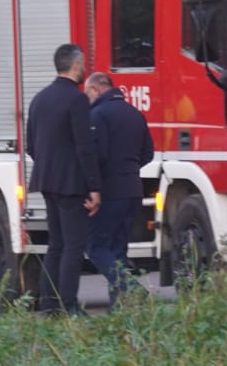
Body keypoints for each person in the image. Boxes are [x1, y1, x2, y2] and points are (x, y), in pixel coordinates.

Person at [25, 43, 101, 316]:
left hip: (46, 181)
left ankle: (48, 303)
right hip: (71, 183)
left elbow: (30, 145)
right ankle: (68, 304)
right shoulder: (77, 99)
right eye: (83, 65)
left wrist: (50, 165)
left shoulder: (39, 98)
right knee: (73, 245)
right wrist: (93, 186)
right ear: (77, 65)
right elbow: (85, 146)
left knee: (56, 243)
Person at [84, 72, 153, 306]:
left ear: (95, 89)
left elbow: (98, 155)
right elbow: (148, 153)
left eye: (88, 94)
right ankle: (119, 309)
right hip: (134, 190)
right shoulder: (135, 114)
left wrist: (94, 184)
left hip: (110, 191)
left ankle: (131, 288)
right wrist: (129, 169)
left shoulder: (98, 115)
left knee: (95, 247)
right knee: (118, 250)